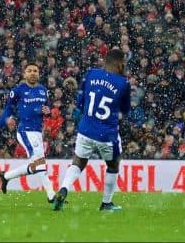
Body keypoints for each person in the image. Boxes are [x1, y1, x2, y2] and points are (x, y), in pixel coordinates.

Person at [53, 48, 131, 211]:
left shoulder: (90, 74)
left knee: (78, 162)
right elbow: (125, 110)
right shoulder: (123, 83)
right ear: (117, 64)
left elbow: (80, 102)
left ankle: (64, 188)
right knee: (113, 165)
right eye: (123, 63)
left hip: (85, 130)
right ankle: (106, 203)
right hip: (107, 135)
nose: (125, 66)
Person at [0, 62, 56, 203]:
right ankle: (52, 195)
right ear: (24, 74)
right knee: (40, 162)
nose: (32, 73)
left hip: (37, 132)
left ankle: (6, 176)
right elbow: (8, 110)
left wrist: (48, 112)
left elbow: (47, 109)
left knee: (37, 165)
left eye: (35, 70)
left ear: (39, 73)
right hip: (25, 131)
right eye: (29, 70)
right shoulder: (18, 90)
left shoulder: (43, 90)